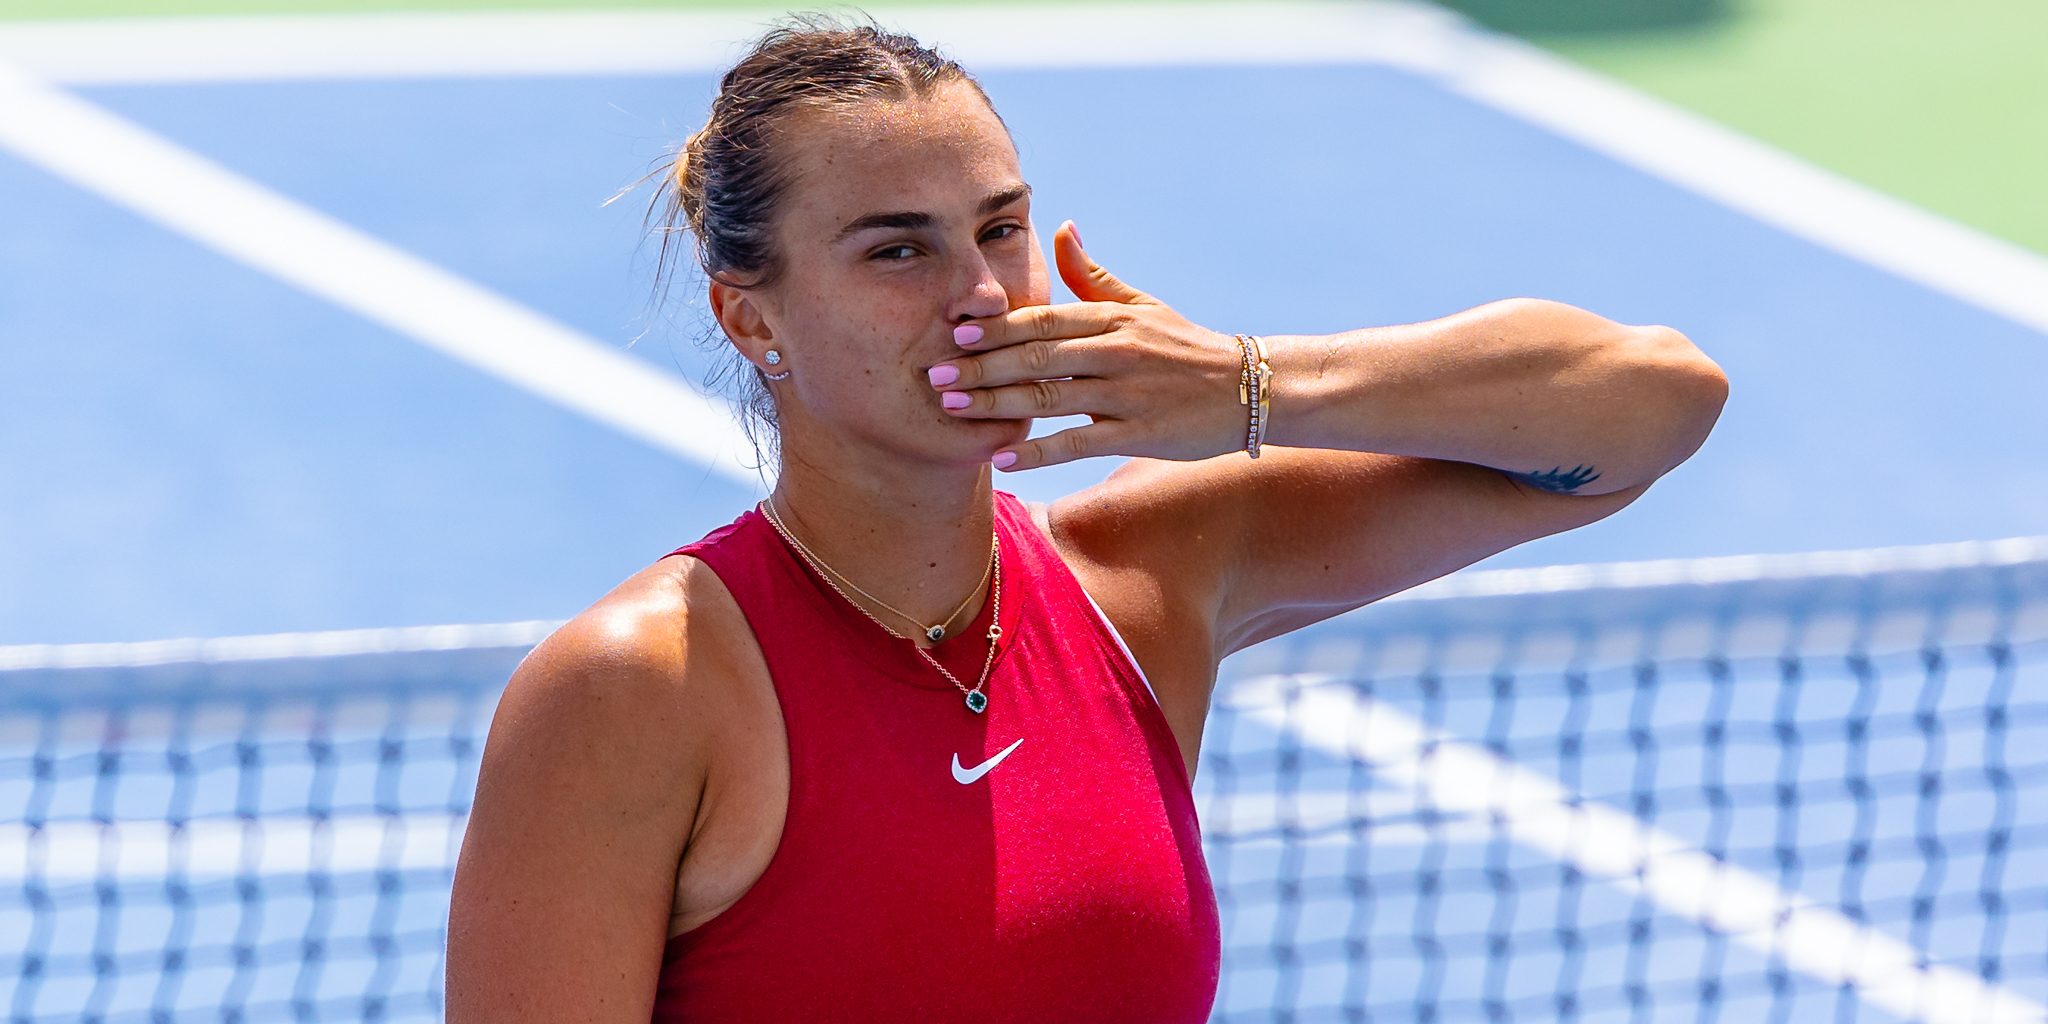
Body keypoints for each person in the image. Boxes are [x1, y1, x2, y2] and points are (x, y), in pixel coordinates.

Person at [444, 12, 1728, 1023]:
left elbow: (1648, 409)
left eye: (997, 229)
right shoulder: (635, 690)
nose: (980, 296)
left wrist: (1242, 384)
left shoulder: (1150, 576)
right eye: (897, 251)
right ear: (751, 316)